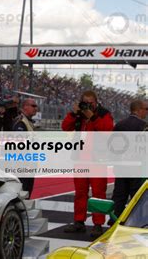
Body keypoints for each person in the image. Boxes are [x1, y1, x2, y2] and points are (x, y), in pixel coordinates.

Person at [61, 90, 114, 237]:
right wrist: (73, 113)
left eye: (91, 103)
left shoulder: (104, 114)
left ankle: (98, 224)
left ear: (96, 102)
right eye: (85, 102)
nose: (88, 105)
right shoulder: (78, 115)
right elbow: (65, 127)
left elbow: (107, 130)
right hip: (80, 159)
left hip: (97, 160)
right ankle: (79, 222)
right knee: (80, 193)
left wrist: (93, 117)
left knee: (98, 193)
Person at [110, 100, 147, 223]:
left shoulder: (119, 125)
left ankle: (114, 221)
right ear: (138, 110)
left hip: (121, 167)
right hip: (138, 168)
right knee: (137, 198)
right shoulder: (144, 126)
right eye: (146, 109)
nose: (146, 112)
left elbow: (112, 147)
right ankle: (135, 223)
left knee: (119, 196)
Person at [12, 98, 38, 197]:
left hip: (28, 164)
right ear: (25, 107)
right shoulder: (21, 122)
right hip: (22, 165)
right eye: (33, 106)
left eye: (36, 106)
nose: (36, 108)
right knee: (23, 194)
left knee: (27, 192)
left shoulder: (28, 122)